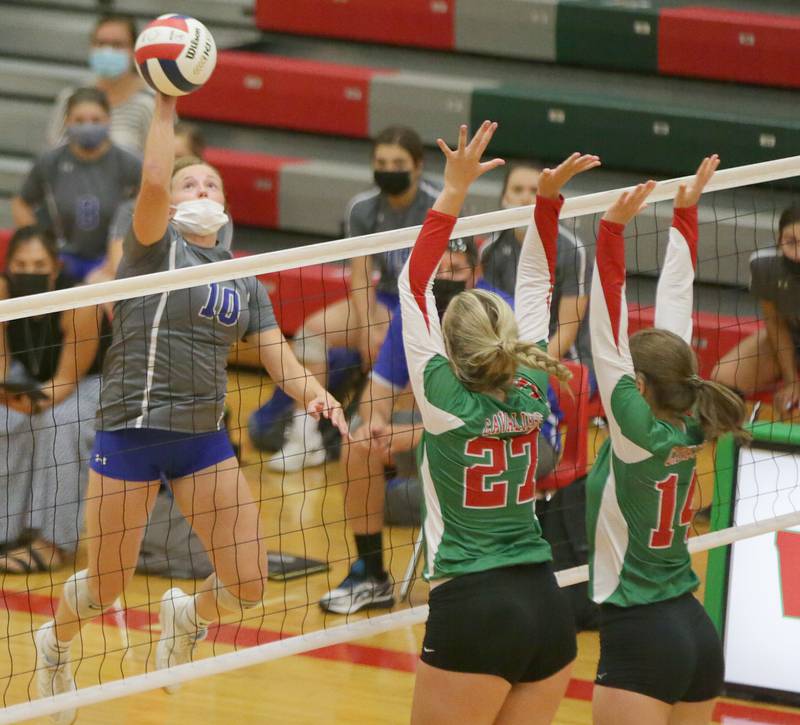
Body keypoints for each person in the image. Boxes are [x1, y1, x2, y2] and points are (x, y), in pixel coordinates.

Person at [32, 92, 348, 725]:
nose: (200, 184)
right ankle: (54, 645)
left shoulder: (247, 280)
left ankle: (187, 613)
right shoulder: (152, 247)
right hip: (131, 432)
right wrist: (167, 101)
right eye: (188, 179)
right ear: (173, 201)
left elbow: (277, 359)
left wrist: (315, 393)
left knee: (249, 583)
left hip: (203, 439)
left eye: (211, 180)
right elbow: (150, 179)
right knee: (105, 588)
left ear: (224, 204)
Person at [402, 122, 598, 725]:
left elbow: (414, 281)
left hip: (474, 607)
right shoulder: (532, 382)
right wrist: (547, 203)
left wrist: (454, 188)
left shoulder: (442, 399)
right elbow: (538, 282)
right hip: (547, 606)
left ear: (450, 348)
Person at [587, 157, 749, 725]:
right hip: (695, 631)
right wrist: (684, 214)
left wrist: (610, 232)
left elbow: (604, 331)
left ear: (636, 386)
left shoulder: (635, 434)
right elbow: (674, 322)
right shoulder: (690, 417)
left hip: (641, 633)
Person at [319, 237, 563, 614]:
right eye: (441, 271)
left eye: (457, 271)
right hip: (452, 436)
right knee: (356, 440)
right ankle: (371, 574)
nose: (448, 279)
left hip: (527, 436)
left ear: (476, 273)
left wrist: (413, 435)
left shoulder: (497, 313)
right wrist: (377, 426)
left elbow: (491, 412)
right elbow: (378, 393)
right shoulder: (418, 315)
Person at [251, 126, 440, 472]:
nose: (388, 169)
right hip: (386, 299)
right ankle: (305, 438)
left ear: (418, 165)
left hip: (428, 304)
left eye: (398, 162)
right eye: (381, 162)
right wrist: (368, 326)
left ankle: (402, 450)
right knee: (312, 332)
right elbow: (360, 274)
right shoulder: (363, 208)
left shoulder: (438, 202)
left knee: (410, 360)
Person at [0, 227, 105, 574]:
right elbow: (2, 363)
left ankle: (54, 542)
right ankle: (7, 530)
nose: (30, 272)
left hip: (95, 379)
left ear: (55, 268)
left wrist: (34, 404)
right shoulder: (2, 293)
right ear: (9, 266)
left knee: (60, 422)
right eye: (21, 264)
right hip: (32, 375)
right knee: (5, 419)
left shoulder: (79, 302)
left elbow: (66, 379)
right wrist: (9, 396)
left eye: (39, 264)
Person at [12, 87, 141, 282]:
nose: (87, 126)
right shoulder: (50, 162)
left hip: (111, 262)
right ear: (66, 122)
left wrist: (119, 257)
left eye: (96, 120)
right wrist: (43, 247)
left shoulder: (129, 163)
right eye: (79, 120)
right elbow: (21, 204)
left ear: (109, 120)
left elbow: (150, 205)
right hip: (62, 260)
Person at [86, 121, 233, 288]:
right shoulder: (131, 209)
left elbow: (215, 269)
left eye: (177, 157)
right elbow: (120, 267)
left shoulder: (214, 213)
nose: (168, 164)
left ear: (196, 158)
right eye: (163, 157)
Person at [480, 160, 592, 369]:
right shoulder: (490, 249)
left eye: (534, 190)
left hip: (566, 359)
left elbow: (567, 331)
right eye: (517, 189)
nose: (525, 198)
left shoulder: (572, 249)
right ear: (504, 197)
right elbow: (492, 318)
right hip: (511, 354)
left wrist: (529, 369)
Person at [712, 205, 800, 418]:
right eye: (792, 242)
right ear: (779, 239)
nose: (798, 254)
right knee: (723, 377)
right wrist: (792, 383)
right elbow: (776, 325)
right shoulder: (765, 265)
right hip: (791, 337)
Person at [46, 15, 154, 156]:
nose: (107, 51)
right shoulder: (71, 96)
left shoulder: (151, 102)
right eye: (100, 44)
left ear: (134, 50)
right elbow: (54, 150)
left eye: (117, 45)